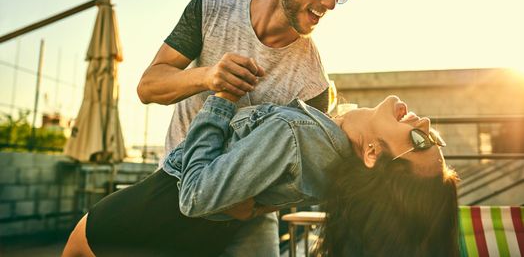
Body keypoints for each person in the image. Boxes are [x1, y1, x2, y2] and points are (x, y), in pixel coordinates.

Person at [136, 0, 365, 255]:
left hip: (247, 221)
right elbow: (148, 87)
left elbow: (302, 173)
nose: (330, 4)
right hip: (174, 188)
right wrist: (208, 76)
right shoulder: (212, 8)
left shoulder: (313, 80)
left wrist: (256, 208)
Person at [62, 94, 459, 256]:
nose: (424, 122)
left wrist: (219, 104)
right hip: (187, 241)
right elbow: (244, 205)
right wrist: (246, 208)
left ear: (373, 154)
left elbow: (194, 196)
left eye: (420, 141)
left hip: (136, 219)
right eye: (434, 138)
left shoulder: (297, 136)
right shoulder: (333, 176)